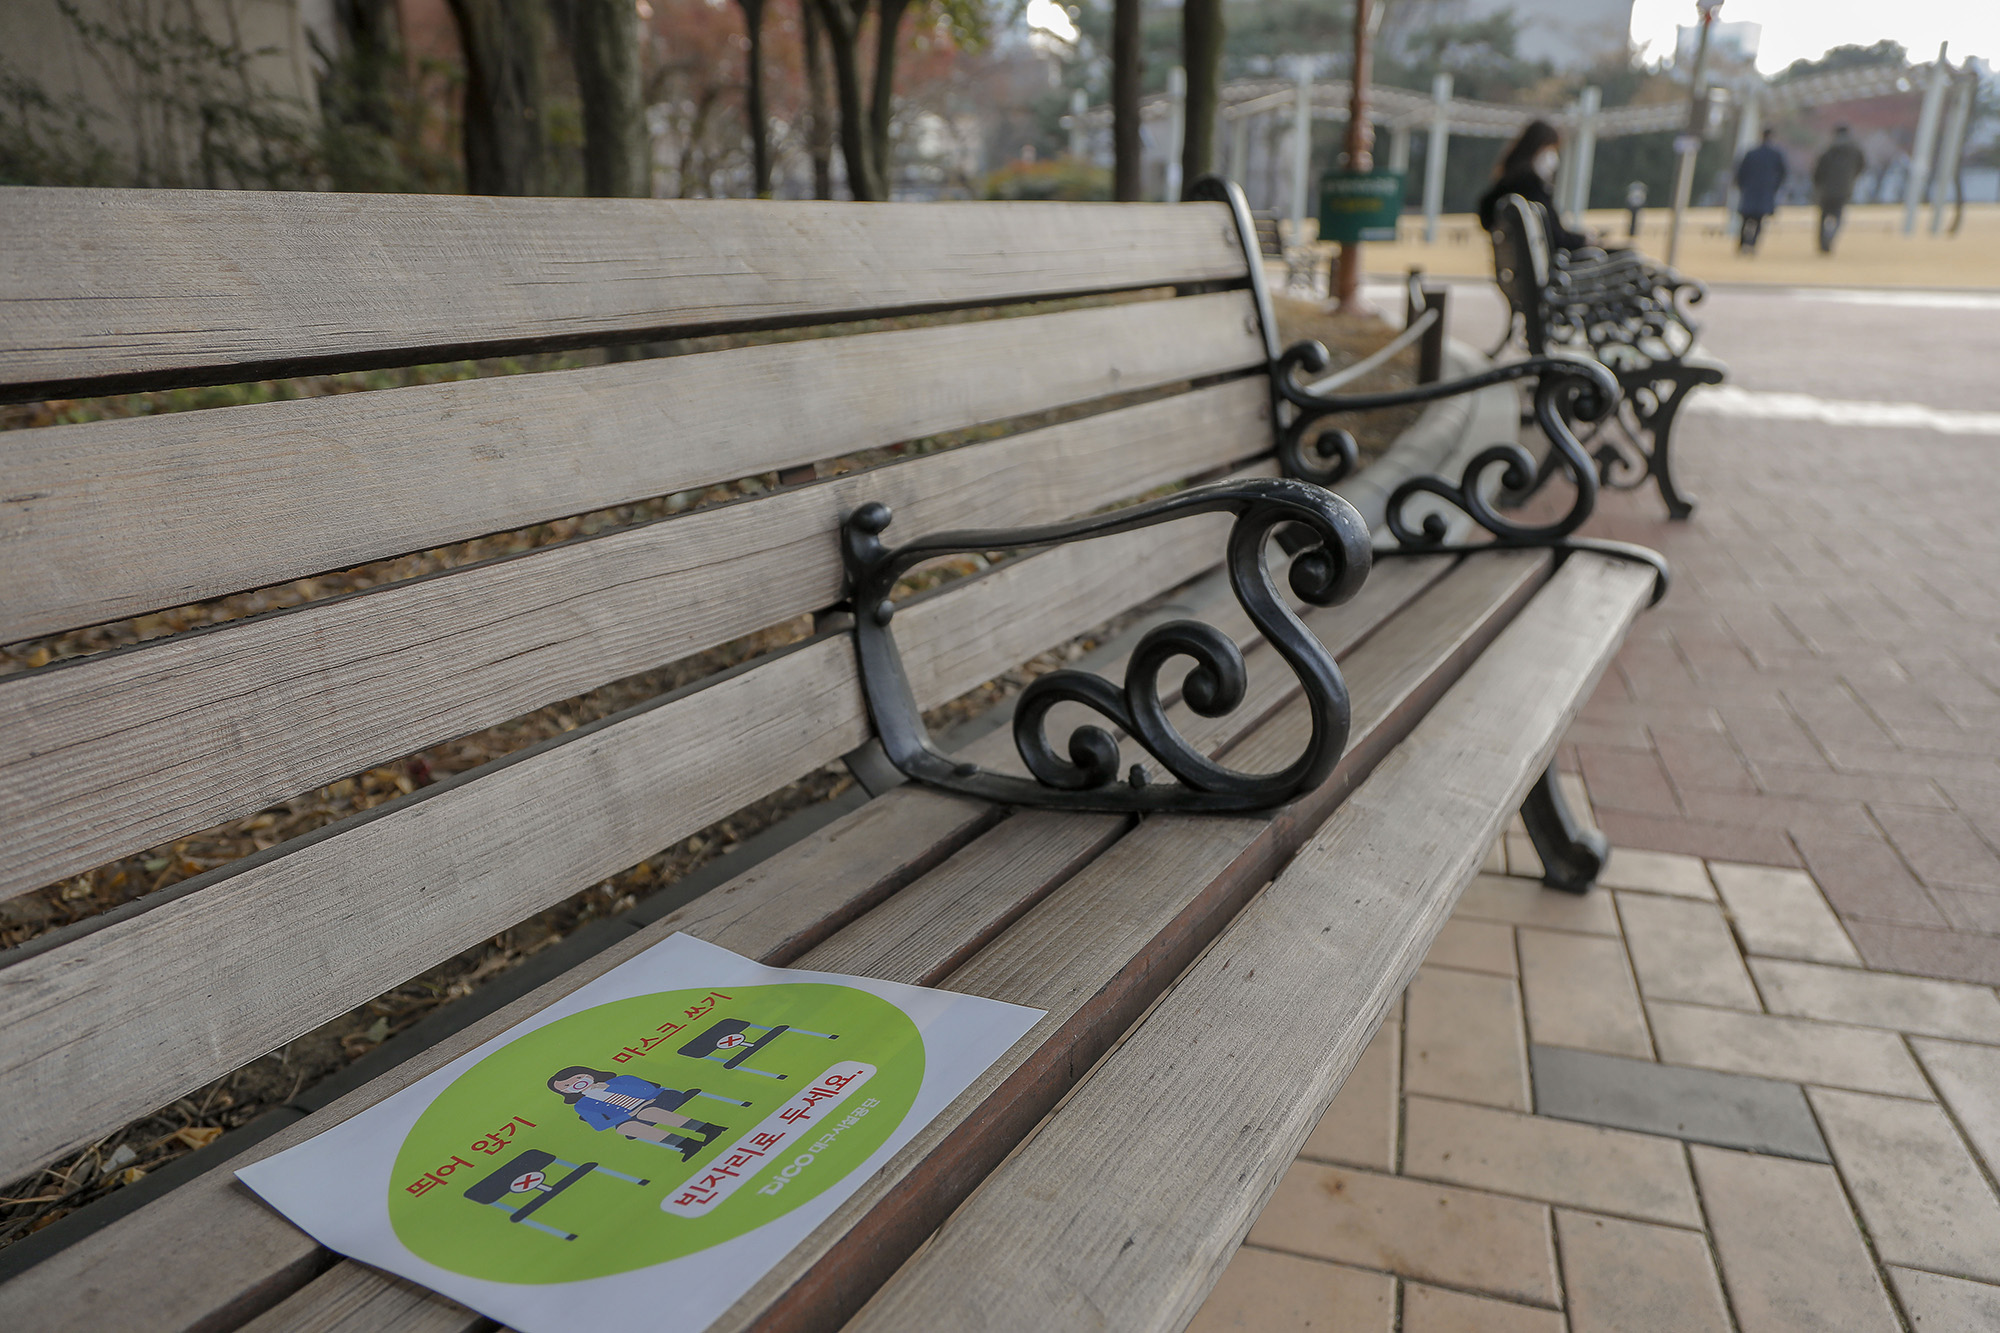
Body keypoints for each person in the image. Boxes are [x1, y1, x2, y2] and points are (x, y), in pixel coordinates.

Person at [547, 1066, 729, 1161]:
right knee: (625, 1127)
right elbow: (600, 1125)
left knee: (647, 1113)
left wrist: (611, 1087)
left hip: (660, 1099)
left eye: (578, 1078)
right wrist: (629, 1114)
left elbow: (648, 1089)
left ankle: (708, 1129)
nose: (576, 1084)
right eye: (567, 1086)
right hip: (633, 1115)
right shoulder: (583, 1105)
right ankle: (687, 1145)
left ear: (589, 1074)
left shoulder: (619, 1080)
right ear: (566, 1092)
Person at [1476, 119, 1591, 252]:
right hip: (1550, 264)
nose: (1554, 158)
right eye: (1551, 150)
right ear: (1537, 148)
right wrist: (1584, 239)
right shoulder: (1530, 186)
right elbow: (1556, 237)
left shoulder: (1509, 184)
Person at [1812, 126, 1866, 254]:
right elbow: (1861, 166)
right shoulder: (1855, 150)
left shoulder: (1828, 149)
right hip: (1844, 188)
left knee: (1823, 216)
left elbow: (1819, 169)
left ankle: (1822, 241)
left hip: (1826, 189)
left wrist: (1818, 183)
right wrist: (1851, 178)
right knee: (1838, 216)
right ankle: (1831, 236)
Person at [1733, 129, 1787, 253]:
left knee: (1745, 219)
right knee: (1759, 220)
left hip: (1750, 190)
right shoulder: (1776, 154)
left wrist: (1742, 186)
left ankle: (1742, 243)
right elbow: (1783, 174)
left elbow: (1741, 172)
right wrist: (1775, 187)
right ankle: (1752, 244)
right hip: (1765, 192)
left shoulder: (1751, 153)